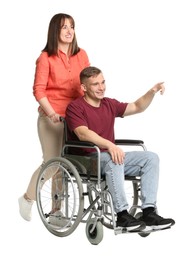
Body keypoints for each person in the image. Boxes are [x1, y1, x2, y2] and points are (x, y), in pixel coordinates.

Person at [65, 66, 175, 232]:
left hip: (107, 156)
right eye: (95, 84)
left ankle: (149, 212)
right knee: (114, 158)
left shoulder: (109, 104)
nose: (101, 87)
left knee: (151, 158)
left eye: (103, 82)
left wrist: (152, 91)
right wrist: (110, 145)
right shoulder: (75, 107)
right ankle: (122, 214)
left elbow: (137, 106)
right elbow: (83, 133)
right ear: (84, 88)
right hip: (87, 160)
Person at [18, 13, 90, 223]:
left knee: (67, 163)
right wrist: (51, 113)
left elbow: (87, 83)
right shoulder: (45, 58)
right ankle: (27, 198)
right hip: (53, 118)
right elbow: (39, 90)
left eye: (72, 27)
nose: (69, 31)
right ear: (54, 32)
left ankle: (56, 210)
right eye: (63, 27)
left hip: (76, 117)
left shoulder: (81, 55)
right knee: (52, 162)